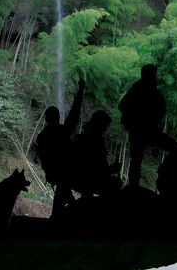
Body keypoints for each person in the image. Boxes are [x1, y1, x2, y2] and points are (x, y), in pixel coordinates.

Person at [118, 64, 177, 187]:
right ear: (151, 75)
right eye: (154, 74)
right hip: (147, 129)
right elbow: (161, 111)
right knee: (175, 148)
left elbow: (122, 106)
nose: (155, 77)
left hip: (138, 130)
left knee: (136, 160)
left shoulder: (136, 89)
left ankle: (133, 187)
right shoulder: (149, 90)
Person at [35, 79, 84, 218]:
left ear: (46, 119)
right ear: (56, 117)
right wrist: (80, 92)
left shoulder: (42, 136)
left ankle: (58, 216)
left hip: (54, 173)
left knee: (63, 193)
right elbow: (74, 115)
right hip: (66, 172)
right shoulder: (61, 132)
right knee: (64, 192)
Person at [70, 110, 120, 196]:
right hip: (87, 181)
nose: (105, 129)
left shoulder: (81, 137)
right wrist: (113, 169)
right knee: (116, 183)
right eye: (105, 126)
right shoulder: (96, 141)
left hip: (75, 179)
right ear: (99, 125)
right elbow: (97, 169)